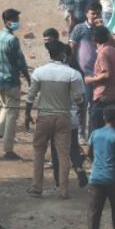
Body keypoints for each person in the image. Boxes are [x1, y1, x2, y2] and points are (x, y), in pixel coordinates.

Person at [23, 44, 86, 199]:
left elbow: (31, 96)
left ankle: (37, 187)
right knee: (63, 155)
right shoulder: (71, 73)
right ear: (62, 55)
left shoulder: (39, 72)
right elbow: (78, 97)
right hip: (63, 118)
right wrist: (82, 110)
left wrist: (27, 114)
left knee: (39, 152)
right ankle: (63, 191)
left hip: (44, 117)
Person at [0, 9, 30, 158]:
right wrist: (29, 80)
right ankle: (8, 149)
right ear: (7, 22)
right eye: (14, 20)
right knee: (12, 115)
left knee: (6, 108)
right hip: (11, 81)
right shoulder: (12, 40)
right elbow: (20, 62)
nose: (17, 22)